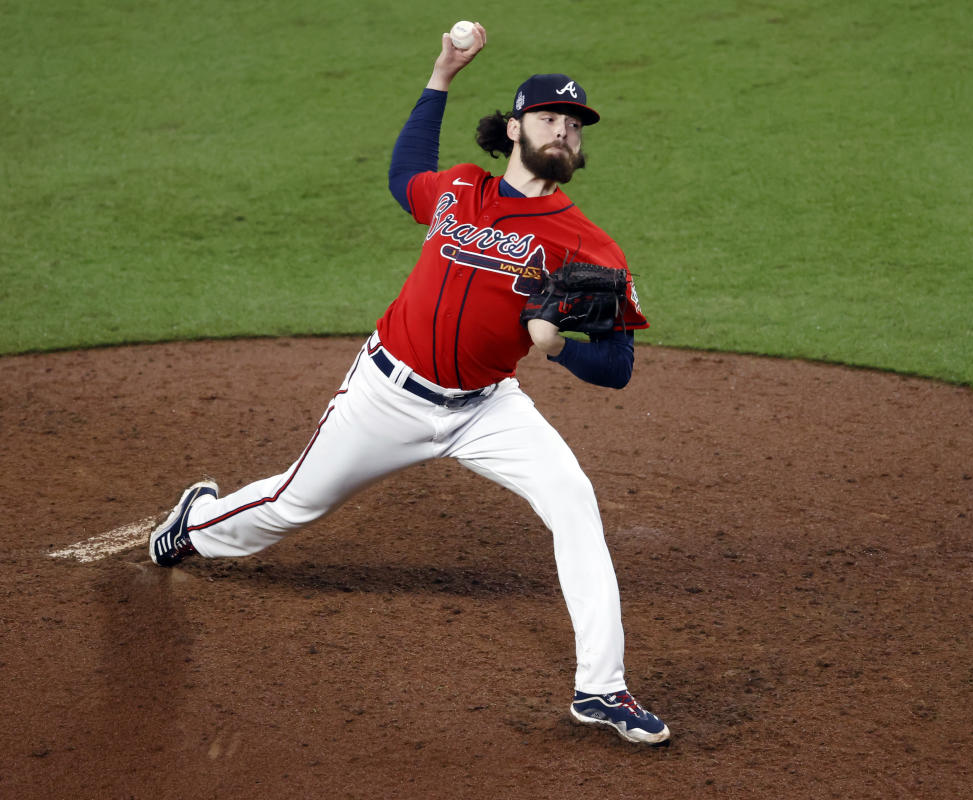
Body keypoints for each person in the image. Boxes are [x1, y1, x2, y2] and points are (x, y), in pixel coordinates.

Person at [148, 23, 669, 746]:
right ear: (516, 128)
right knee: (293, 503)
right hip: (386, 395)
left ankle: (601, 689)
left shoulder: (588, 244)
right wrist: (441, 78)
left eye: (576, 125)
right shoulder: (457, 187)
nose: (565, 131)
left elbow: (617, 367)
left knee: (574, 502)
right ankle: (192, 528)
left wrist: (557, 351)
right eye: (551, 117)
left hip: (489, 408)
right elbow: (402, 176)